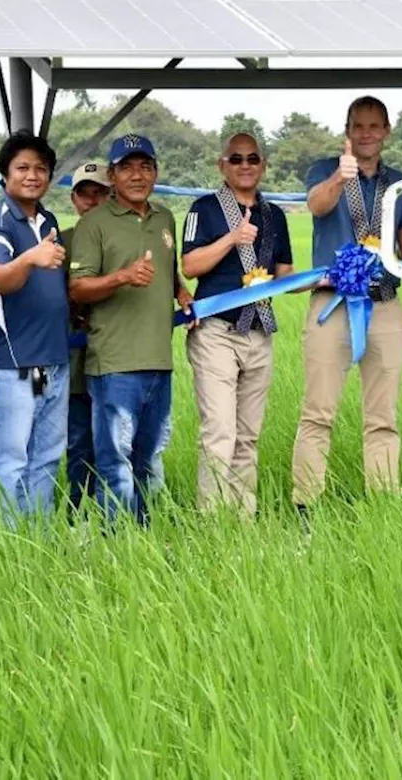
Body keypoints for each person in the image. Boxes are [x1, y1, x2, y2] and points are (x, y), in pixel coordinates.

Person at [291, 96, 402, 510]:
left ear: (386, 130)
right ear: (347, 130)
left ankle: (384, 502)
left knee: (383, 415)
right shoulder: (323, 169)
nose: (366, 133)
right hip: (332, 306)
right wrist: (339, 177)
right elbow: (317, 205)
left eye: (374, 126)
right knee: (318, 411)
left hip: (383, 304)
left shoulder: (401, 184)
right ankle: (305, 505)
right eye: (358, 126)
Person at [68, 135, 196, 524]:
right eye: (127, 167)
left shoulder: (164, 218)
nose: (137, 175)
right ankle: (117, 541)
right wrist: (122, 276)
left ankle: (146, 537)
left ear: (156, 171)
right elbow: (78, 286)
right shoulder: (94, 224)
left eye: (145, 167)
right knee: (115, 459)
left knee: (149, 457)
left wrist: (182, 292)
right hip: (114, 363)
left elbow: (168, 268)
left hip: (159, 360)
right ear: (113, 174)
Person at [181, 132, 294, 515]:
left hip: (259, 332)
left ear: (263, 165)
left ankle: (243, 518)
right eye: (236, 159)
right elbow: (190, 266)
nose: (244, 166)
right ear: (222, 165)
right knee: (219, 432)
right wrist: (232, 239)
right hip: (216, 331)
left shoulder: (274, 215)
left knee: (248, 435)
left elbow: (286, 272)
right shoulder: (204, 209)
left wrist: (326, 279)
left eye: (252, 159)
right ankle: (211, 520)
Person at [0, 131, 70, 525]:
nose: (32, 175)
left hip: (54, 357)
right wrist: (31, 257)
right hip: (13, 361)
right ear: (5, 175)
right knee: (9, 457)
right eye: (22, 168)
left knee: (46, 456)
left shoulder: (48, 220)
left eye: (40, 168)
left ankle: (35, 543)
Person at [60, 159, 110, 513]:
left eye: (100, 193)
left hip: (120, 358)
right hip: (76, 362)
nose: (92, 201)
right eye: (85, 195)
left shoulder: (126, 239)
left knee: (122, 441)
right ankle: (79, 511)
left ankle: (121, 511)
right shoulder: (62, 242)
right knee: (79, 441)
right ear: (74, 200)